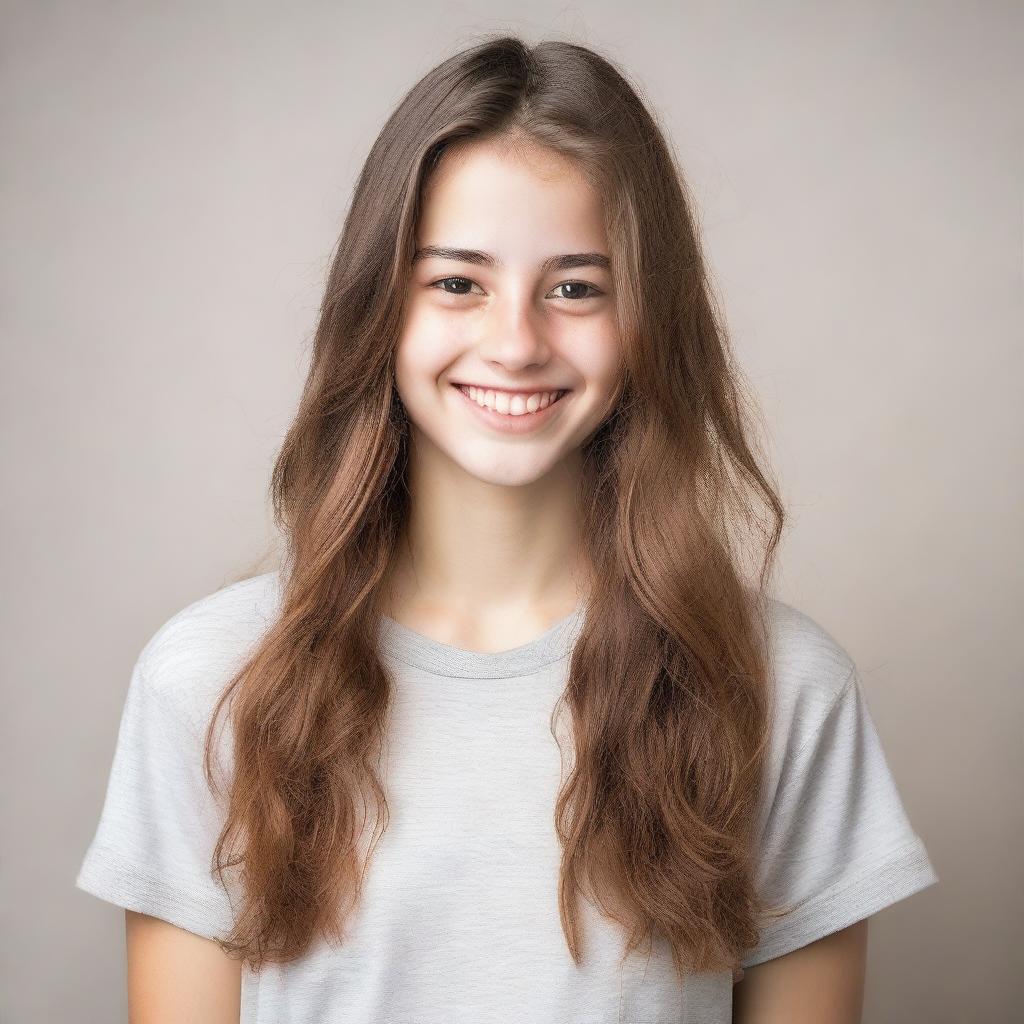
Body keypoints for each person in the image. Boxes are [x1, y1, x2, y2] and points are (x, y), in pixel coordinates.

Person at [74, 34, 938, 1024]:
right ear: (379, 308)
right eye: (457, 282)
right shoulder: (209, 679)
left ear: (648, 317)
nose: (517, 342)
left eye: (576, 287)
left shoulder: (781, 685)